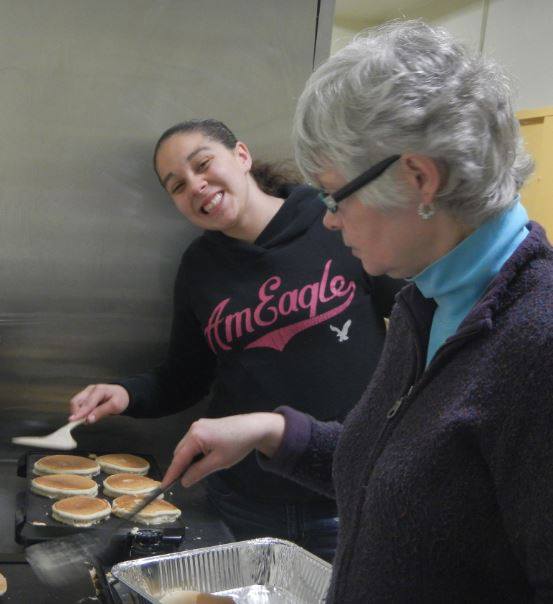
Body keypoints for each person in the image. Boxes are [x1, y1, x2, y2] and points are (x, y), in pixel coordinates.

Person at [160, 20, 553, 603]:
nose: (328, 219)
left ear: (418, 178)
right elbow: (388, 471)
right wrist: (272, 431)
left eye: (333, 194)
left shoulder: (536, 345)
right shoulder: (426, 302)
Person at [68, 118, 402, 561]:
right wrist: (125, 394)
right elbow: (185, 378)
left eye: (203, 164)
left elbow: (417, 323)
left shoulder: (335, 223)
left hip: (347, 493)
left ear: (241, 156)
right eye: (177, 186)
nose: (196, 186)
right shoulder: (199, 268)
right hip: (245, 502)